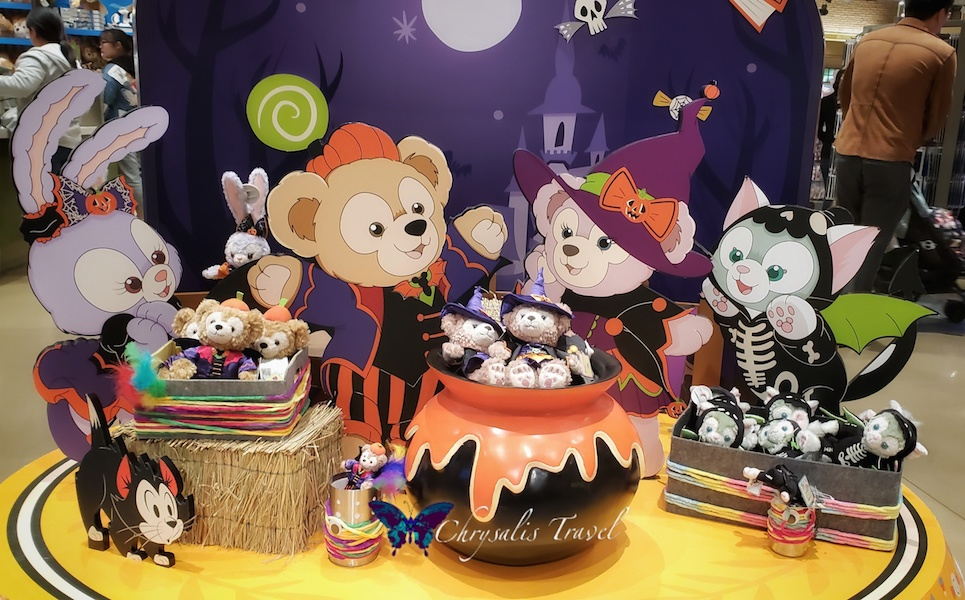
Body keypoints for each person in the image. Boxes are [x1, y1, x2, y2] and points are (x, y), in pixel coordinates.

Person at [833, 0, 957, 292]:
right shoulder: (941, 53)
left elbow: (845, 94)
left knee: (846, 236)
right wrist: (910, 141)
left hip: (848, 151)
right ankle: (852, 310)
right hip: (891, 157)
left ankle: (831, 303)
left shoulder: (868, 42)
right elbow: (937, 114)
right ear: (942, 13)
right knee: (872, 243)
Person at [0, 8, 79, 175]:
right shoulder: (71, 60)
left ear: (33, 31)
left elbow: (21, 86)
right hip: (68, 140)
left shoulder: (37, 57)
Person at [99, 28, 143, 205]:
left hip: (119, 128)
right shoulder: (135, 67)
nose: (100, 46)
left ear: (118, 45)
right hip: (139, 124)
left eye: (104, 42)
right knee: (138, 174)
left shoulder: (112, 71)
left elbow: (105, 98)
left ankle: (144, 215)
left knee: (131, 177)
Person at [817, 70, 843, 187]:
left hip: (845, 152)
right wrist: (828, 139)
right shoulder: (827, 102)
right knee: (829, 186)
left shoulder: (853, 104)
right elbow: (819, 128)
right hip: (829, 151)